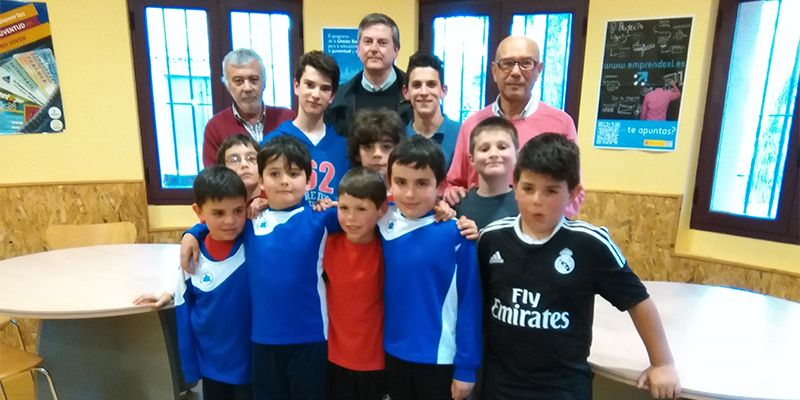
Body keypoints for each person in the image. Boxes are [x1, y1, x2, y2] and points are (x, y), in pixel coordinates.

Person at [477, 134, 681, 399]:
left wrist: (662, 362)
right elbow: (473, 304)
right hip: (499, 386)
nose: (537, 199)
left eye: (551, 191)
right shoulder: (491, 238)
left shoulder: (590, 244)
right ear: (514, 187)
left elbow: (638, 301)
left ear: (572, 193)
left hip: (563, 387)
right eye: (527, 188)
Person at [135, 165, 252, 400]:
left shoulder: (254, 241)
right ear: (199, 211)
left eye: (238, 211)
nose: (230, 220)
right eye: (218, 213)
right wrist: (169, 292)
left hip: (251, 362)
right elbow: (183, 299)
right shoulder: (192, 258)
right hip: (212, 364)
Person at [379, 136, 482, 400]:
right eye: (401, 182)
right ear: (390, 182)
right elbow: (348, 212)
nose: (409, 193)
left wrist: (466, 368)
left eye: (422, 183)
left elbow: (470, 304)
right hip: (391, 353)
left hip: (439, 358)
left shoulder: (458, 234)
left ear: (441, 185)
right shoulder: (381, 220)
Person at [443, 36, 579, 215]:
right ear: (494, 71)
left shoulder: (561, 124)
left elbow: (574, 192)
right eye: (507, 63)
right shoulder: (472, 124)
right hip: (478, 226)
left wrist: (541, 220)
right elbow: (454, 183)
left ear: (539, 70)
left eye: (526, 63)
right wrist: (451, 193)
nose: (515, 72)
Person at [324, 167, 389, 400]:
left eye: (361, 209)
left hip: (377, 361)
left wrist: (442, 208)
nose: (350, 218)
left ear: (381, 209)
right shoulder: (326, 243)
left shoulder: (389, 248)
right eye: (344, 208)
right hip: (335, 358)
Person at [262, 50, 350, 202]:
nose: (315, 95)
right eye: (309, 85)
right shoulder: (272, 141)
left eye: (324, 88)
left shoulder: (345, 148)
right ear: (296, 86)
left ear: (332, 96)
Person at [203, 48, 294, 167]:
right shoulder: (215, 127)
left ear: (264, 82)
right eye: (238, 81)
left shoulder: (287, 118)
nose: (247, 88)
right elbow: (213, 176)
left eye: (254, 79)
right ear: (227, 86)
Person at [325, 13, 413, 137]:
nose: (374, 49)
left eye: (382, 43)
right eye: (368, 42)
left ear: (396, 50)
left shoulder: (414, 95)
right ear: (358, 49)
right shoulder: (338, 99)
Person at [453, 116, 519, 230]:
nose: (493, 154)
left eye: (502, 147)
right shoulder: (458, 205)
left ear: (516, 156)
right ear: (471, 159)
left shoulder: (524, 203)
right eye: (484, 149)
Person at [403, 52, 460, 171]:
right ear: (406, 92)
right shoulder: (399, 138)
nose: (424, 92)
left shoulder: (462, 134)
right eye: (417, 85)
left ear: (443, 91)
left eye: (431, 84)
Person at [347, 109, 406, 192]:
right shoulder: (348, 194)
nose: (377, 154)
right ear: (357, 154)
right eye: (368, 147)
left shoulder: (407, 195)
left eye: (386, 147)